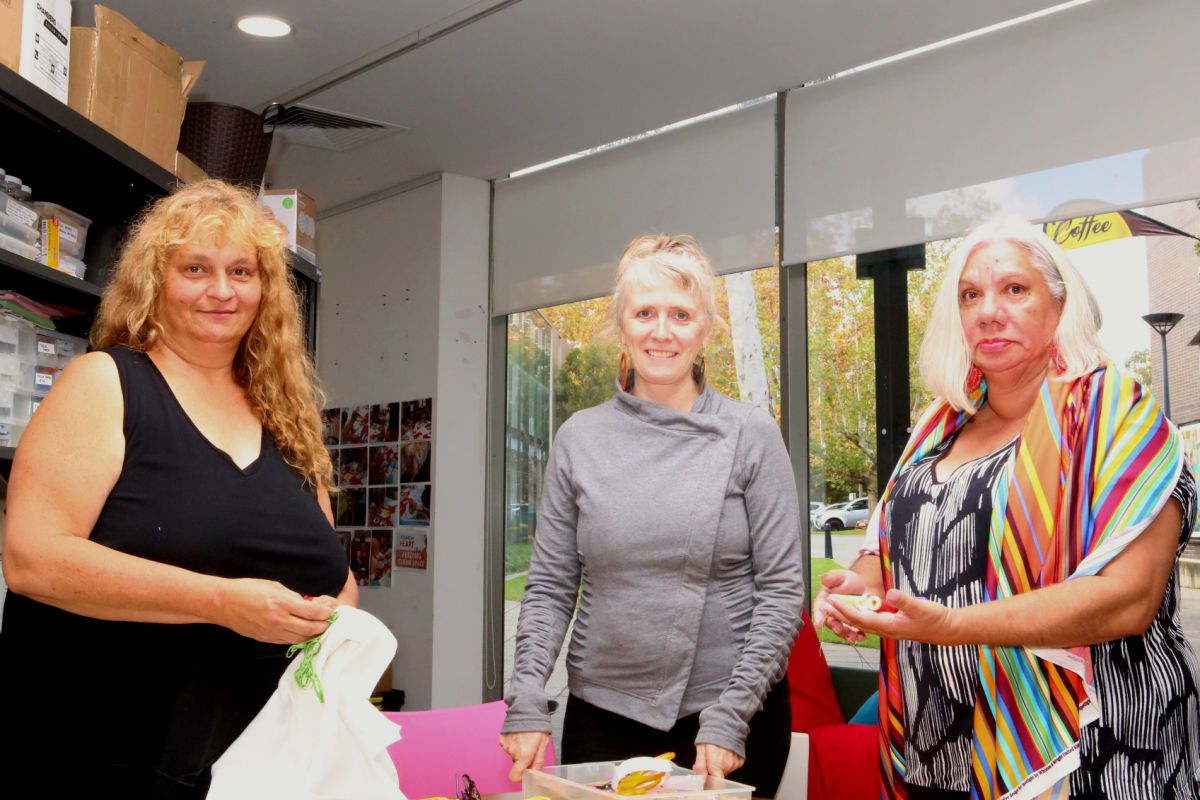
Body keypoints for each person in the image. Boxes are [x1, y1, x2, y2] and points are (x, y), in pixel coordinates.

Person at [814, 217, 1200, 799]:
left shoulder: (1116, 412)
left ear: (1059, 304)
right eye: (971, 295)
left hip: (1089, 754)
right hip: (932, 756)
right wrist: (857, 586)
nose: (988, 311)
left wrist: (951, 628)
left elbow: (1129, 598)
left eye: (1014, 289)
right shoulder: (938, 424)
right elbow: (887, 548)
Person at [0, 180, 356, 797]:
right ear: (154, 283)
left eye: (241, 271)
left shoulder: (287, 418)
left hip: (254, 767)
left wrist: (335, 622)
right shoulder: (106, 383)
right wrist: (222, 602)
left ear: (265, 290)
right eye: (195, 268)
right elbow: (32, 558)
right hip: (104, 760)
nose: (222, 291)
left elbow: (331, 571)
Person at [500, 234, 805, 797]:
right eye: (645, 313)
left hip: (729, 713)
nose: (661, 332)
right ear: (622, 326)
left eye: (680, 315)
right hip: (603, 713)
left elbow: (783, 591)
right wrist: (525, 700)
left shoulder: (751, 434)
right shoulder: (579, 438)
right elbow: (548, 587)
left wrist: (731, 715)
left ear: (705, 330)